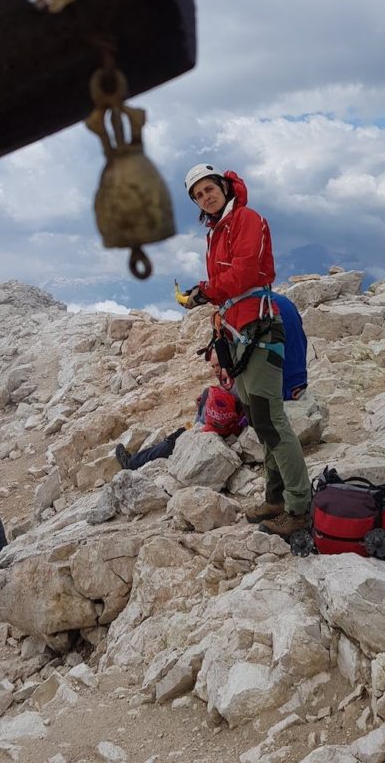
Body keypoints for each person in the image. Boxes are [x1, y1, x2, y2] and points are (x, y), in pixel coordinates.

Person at [181, 164, 311, 539]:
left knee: (271, 418)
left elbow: (245, 272)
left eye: (210, 189)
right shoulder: (217, 232)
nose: (206, 196)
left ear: (224, 188)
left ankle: (299, 507)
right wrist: (208, 295)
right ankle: (275, 499)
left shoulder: (246, 219)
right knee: (258, 416)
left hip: (259, 326)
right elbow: (227, 286)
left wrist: (206, 291)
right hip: (238, 330)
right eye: (199, 194)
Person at [114, 363, 245, 470]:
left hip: (216, 431)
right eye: (213, 366)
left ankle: (132, 463)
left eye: (218, 365)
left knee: (171, 444)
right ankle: (139, 458)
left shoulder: (237, 385)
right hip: (216, 427)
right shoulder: (234, 381)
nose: (216, 370)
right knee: (176, 435)